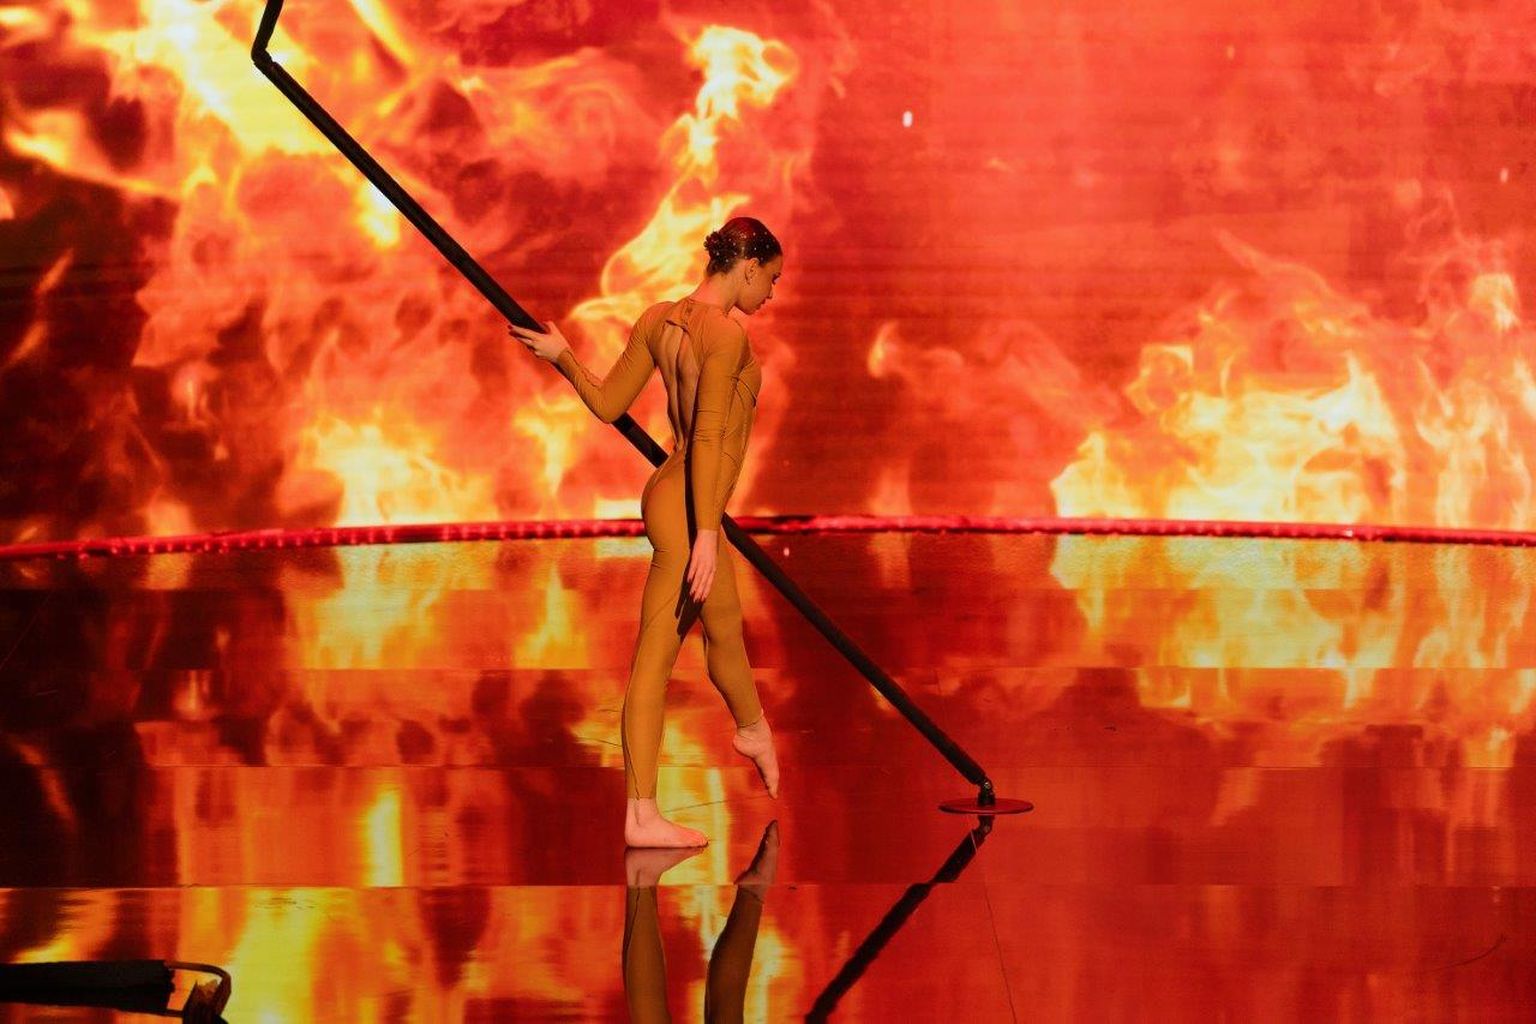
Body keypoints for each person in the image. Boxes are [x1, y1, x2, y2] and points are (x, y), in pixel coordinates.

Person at [509, 216, 783, 847]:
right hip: (690, 509)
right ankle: (647, 809)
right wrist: (707, 532)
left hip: (676, 494)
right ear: (747, 268)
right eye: (770, 279)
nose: (771, 293)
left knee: (722, 631)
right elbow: (709, 437)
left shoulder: (661, 319)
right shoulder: (725, 337)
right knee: (661, 658)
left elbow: (608, 404)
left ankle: (749, 734)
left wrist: (564, 357)